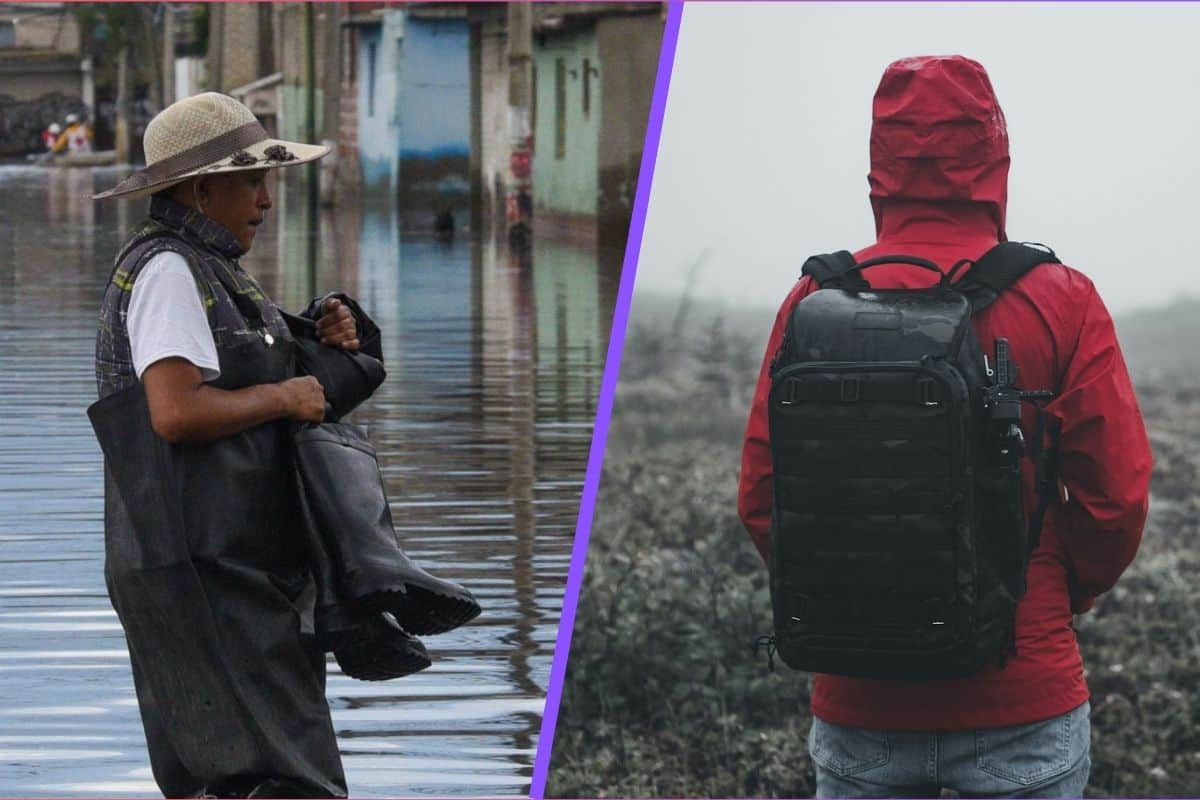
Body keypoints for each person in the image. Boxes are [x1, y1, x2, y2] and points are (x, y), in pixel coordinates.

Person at [737, 55, 1151, 798]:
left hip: (861, 703)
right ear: (995, 156)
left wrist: (857, 587)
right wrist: (1059, 596)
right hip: (1024, 699)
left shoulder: (814, 296)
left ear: (880, 163)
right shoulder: (1060, 297)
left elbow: (763, 495)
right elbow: (1113, 499)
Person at [89, 92, 367, 798]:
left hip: (228, 566)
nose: (267, 200)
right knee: (283, 780)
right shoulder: (168, 271)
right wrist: (284, 396)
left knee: (237, 776)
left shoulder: (212, 270)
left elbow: (238, 364)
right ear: (202, 189)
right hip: (202, 572)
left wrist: (315, 336)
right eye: (252, 181)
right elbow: (175, 412)